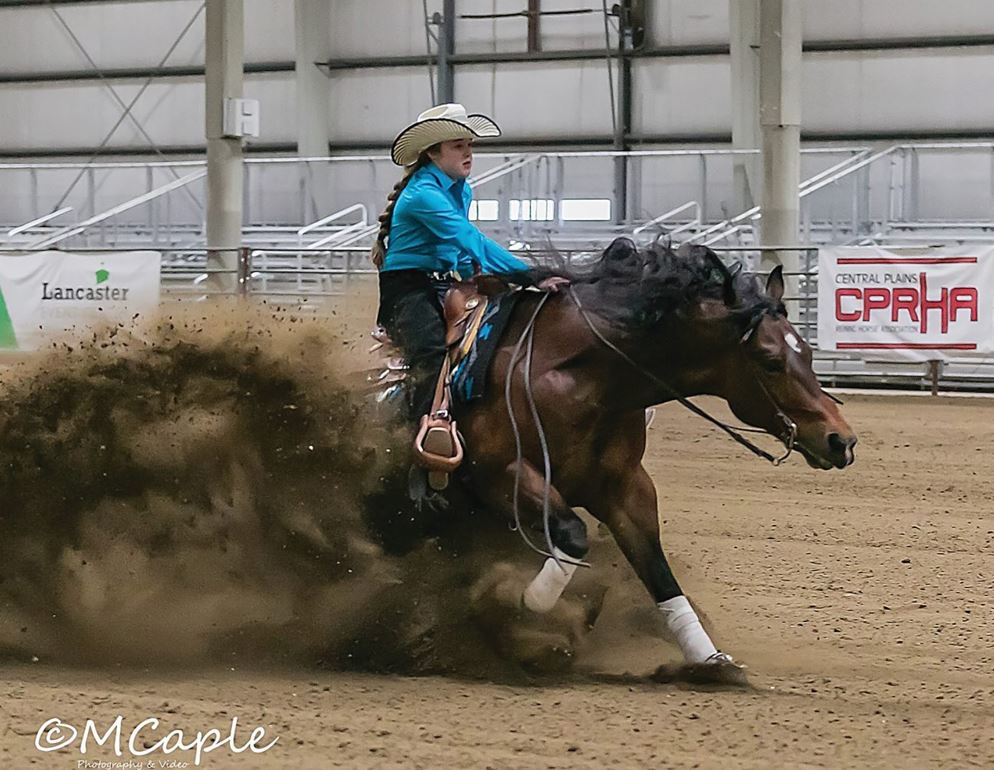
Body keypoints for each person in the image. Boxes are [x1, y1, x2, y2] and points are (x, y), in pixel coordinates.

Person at [371, 103, 567, 426]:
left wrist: (474, 273)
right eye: (458, 146)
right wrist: (529, 274)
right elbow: (468, 238)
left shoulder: (461, 190)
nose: (468, 153)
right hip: (407, 290)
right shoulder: (422, 194)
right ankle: (419, 434)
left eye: (470, 145)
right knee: (432, 351)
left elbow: (461, 248)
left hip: (442, 283)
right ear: (433, 154)